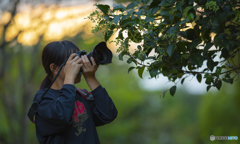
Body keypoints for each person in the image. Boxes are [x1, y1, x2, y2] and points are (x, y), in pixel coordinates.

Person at [32, 40, 118, 144]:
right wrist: (69, 77)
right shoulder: (43, 100)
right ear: (54, 68)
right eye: (73, 62)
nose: (79, 65)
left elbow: (109, 114)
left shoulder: (81, 95)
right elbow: (62, 116)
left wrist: (91, 78)